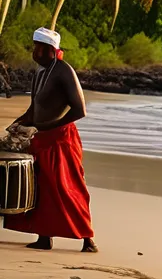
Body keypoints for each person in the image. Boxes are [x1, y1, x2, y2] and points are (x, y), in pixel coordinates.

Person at [4, 28, 97, 252]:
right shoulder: (40, 72)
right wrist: (19, 123)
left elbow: (79, 110)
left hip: (61, 139)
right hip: (40, 137)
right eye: (33, 46)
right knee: (41, 188)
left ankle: (87, 238)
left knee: (67, 187)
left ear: (50, 50)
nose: (33, 51)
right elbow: (35, 107)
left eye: (37, 47)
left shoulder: (64, 71)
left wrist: (45, 126)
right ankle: (44, 237)